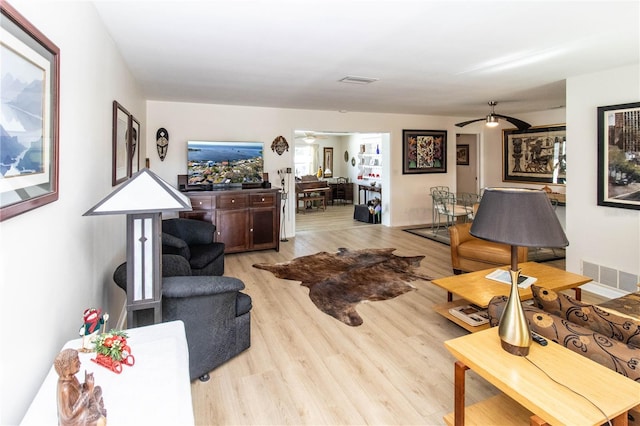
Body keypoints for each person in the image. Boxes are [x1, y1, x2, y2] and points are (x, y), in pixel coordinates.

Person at [54, 348, 107, 426]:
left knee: (98, 389)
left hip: (83, 405)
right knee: (100, 421)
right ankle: (97, 408)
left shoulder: (72, 378)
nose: (80, 363)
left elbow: (78, 391)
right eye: (76, 362)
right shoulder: (65, 388)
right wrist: (88, 391)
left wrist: (85, 385)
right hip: (75, 420)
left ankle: (96, 406)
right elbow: (69, 415)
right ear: (67, 368)